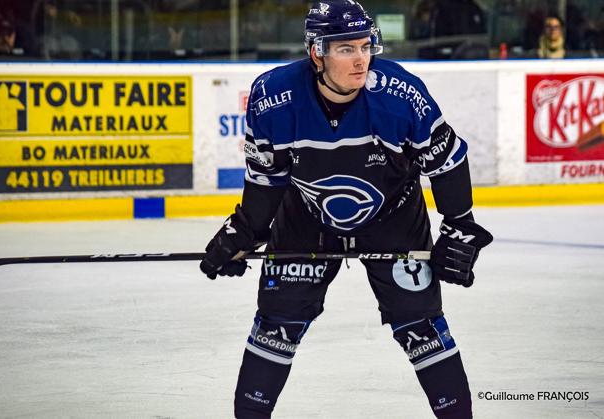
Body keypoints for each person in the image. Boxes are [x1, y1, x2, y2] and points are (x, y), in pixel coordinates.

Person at [199, 1, 493, 418]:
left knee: (421, 326)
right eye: (346, 49)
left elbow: (447, 162)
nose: (361, 59)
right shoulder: (273, 98)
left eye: (366, 46)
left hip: (394, 217)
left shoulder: (400, 94)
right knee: (277, 324)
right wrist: (243, 231)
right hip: (304, 215)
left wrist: (459, 227)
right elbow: (267, 179)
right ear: (316, 53)